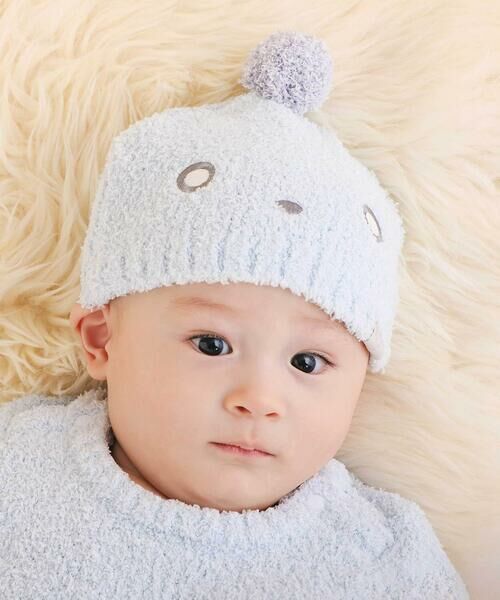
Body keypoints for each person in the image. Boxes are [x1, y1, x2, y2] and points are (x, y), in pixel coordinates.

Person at [0, 31, 469, 599]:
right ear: (102, 340)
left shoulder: (383, 559)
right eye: (212, 345)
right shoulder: (19, 466)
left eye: (307, 362)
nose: (259, 399)